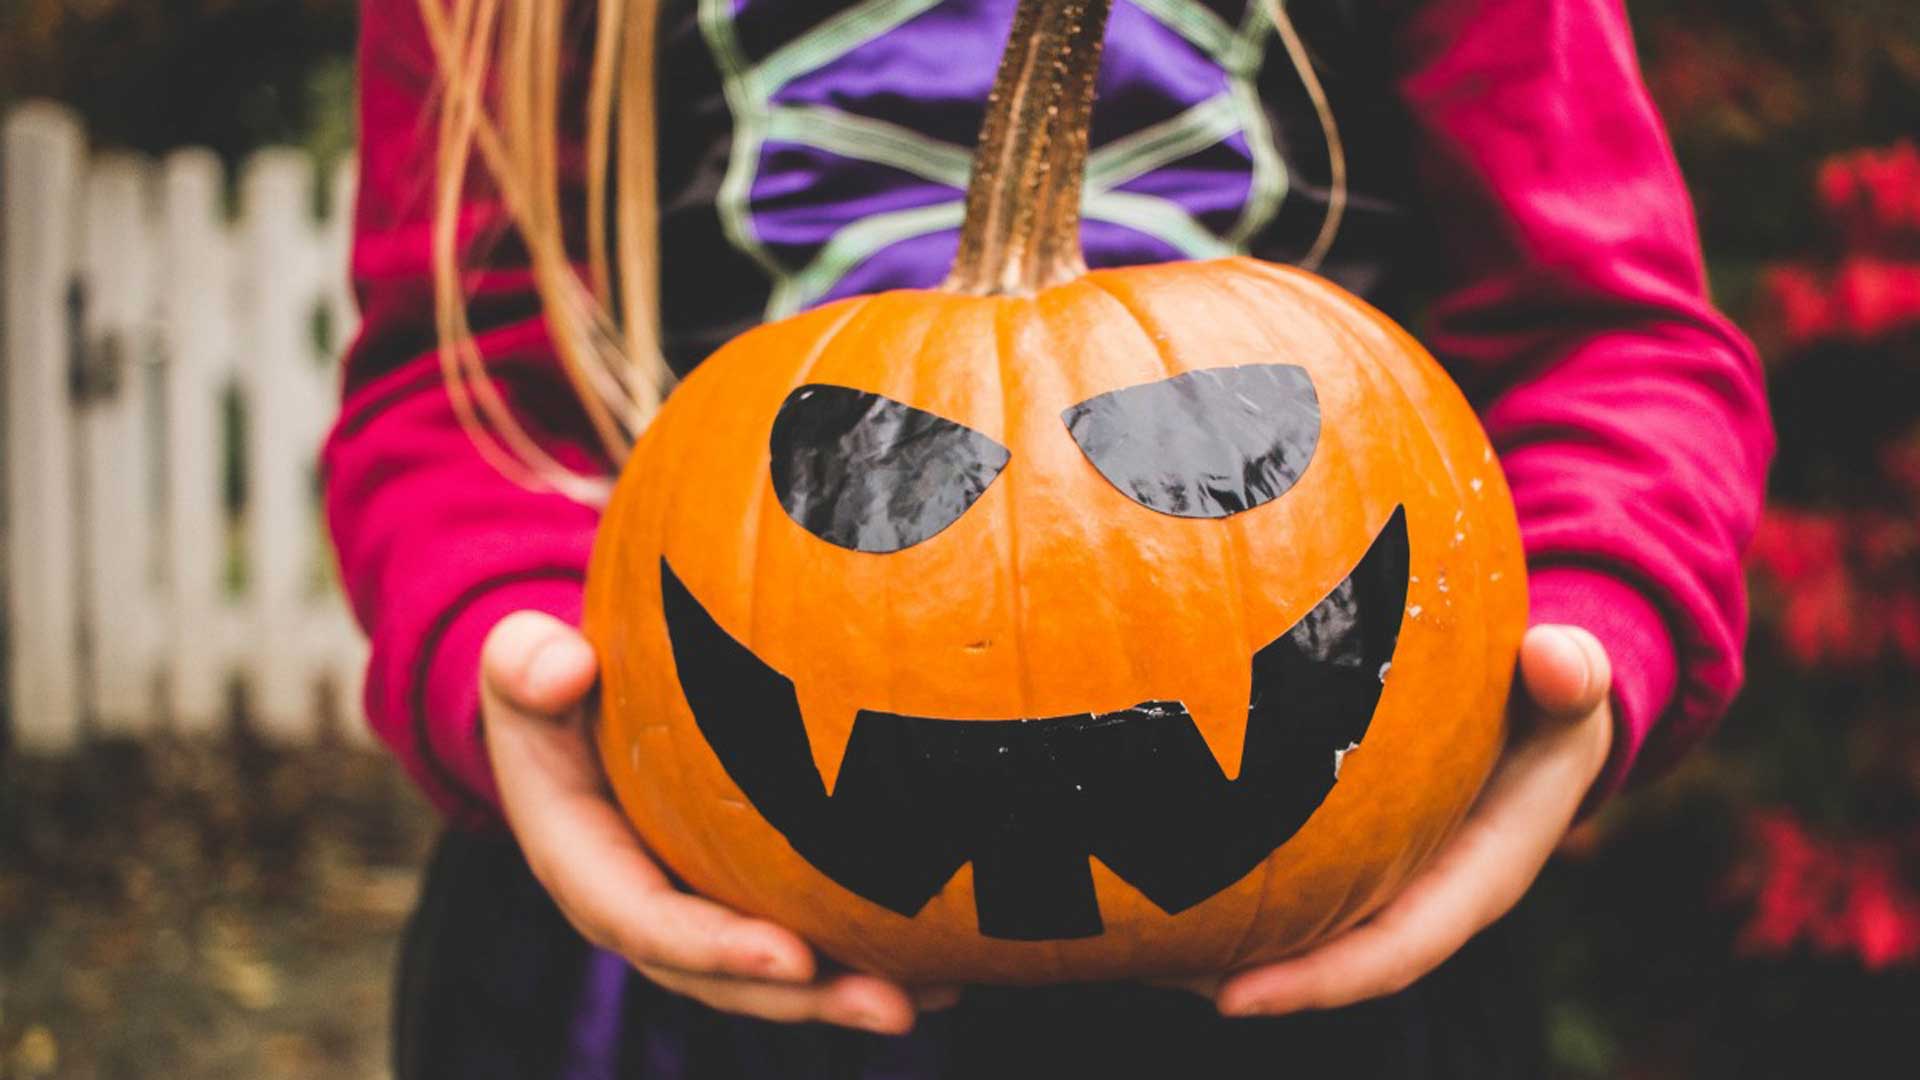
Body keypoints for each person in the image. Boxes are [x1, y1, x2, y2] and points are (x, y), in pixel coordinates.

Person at [325, 0, 1773, 1075]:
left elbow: (1610, 337)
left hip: (1341, 932)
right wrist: (498, 651)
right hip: (675, 948)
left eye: (1217, 451)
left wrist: (1592, 625)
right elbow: (457, 384)